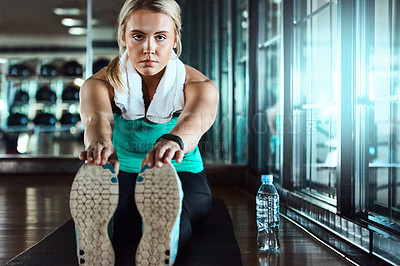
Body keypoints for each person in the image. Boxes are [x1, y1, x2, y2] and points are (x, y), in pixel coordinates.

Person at [69, 0, 219, 265]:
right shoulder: (99, 84)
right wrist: (101, 144)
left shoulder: (199, 85)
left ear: (175, 39)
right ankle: (104, 234)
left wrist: (174, 140)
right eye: (138, 36)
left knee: (176, 219)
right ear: (124, 37)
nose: (149, 49)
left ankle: (156, 234)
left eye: (160, 37)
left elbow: (197, 118)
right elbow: (97, 121)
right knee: (116, 219)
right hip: (121, 176)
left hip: (180, 175)